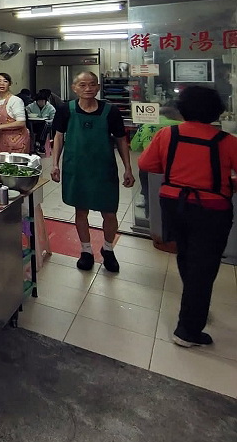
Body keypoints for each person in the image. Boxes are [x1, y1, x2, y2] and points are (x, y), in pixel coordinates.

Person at [138, 86, 237, 348]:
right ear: (217, 112)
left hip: (173, 203)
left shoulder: (167, 134)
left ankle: (195, 303)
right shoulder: (227, 141)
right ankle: (188, 329)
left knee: (186, 255)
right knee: (204, 265)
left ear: (182, 109)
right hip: (212, 209)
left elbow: (146, 164)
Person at [51, 71, 135, 273]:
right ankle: (86, 250)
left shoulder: (111, 111)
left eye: (91, 85)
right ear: (74, 88)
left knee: (109, 212)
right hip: (76, 168)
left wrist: (128, 168)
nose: (87, 89)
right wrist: (55, 164)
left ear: (98, 88)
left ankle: (108, 249)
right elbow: (59, 137)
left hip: (103, 169)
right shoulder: (66, 109)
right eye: (82, 85)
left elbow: (121, 139)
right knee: (81, 211)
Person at [0, 73, 29, 153]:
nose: (2, 84)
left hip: (17, 141)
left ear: (9, 84)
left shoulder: (15, 100)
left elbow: (21, 122)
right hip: (0, 140)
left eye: (5, 81)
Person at [26, 89, 57, 154]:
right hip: (34, 125)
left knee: (45, 124)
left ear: (45, 101)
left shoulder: (50, 108)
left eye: (42, 101)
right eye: (39, 101)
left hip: (46, 126)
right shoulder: (32, 106)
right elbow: (26, 110)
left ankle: (39, 142)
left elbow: (53, 119)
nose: (40, 103)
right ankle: (39, 144)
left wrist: (47, 120)